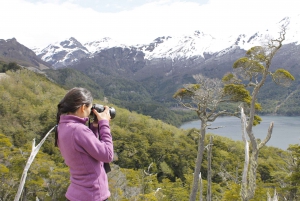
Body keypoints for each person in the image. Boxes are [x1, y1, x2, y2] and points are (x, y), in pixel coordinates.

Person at [54, 87, 113, 201]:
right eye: (90, 108)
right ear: (82, 107)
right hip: (92, 195)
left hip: (77, 193)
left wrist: (95, 126)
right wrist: (104, 124)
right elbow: (108, 155)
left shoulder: (62, 127)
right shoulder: (78, 130)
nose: (90, 112)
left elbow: (87, 149)